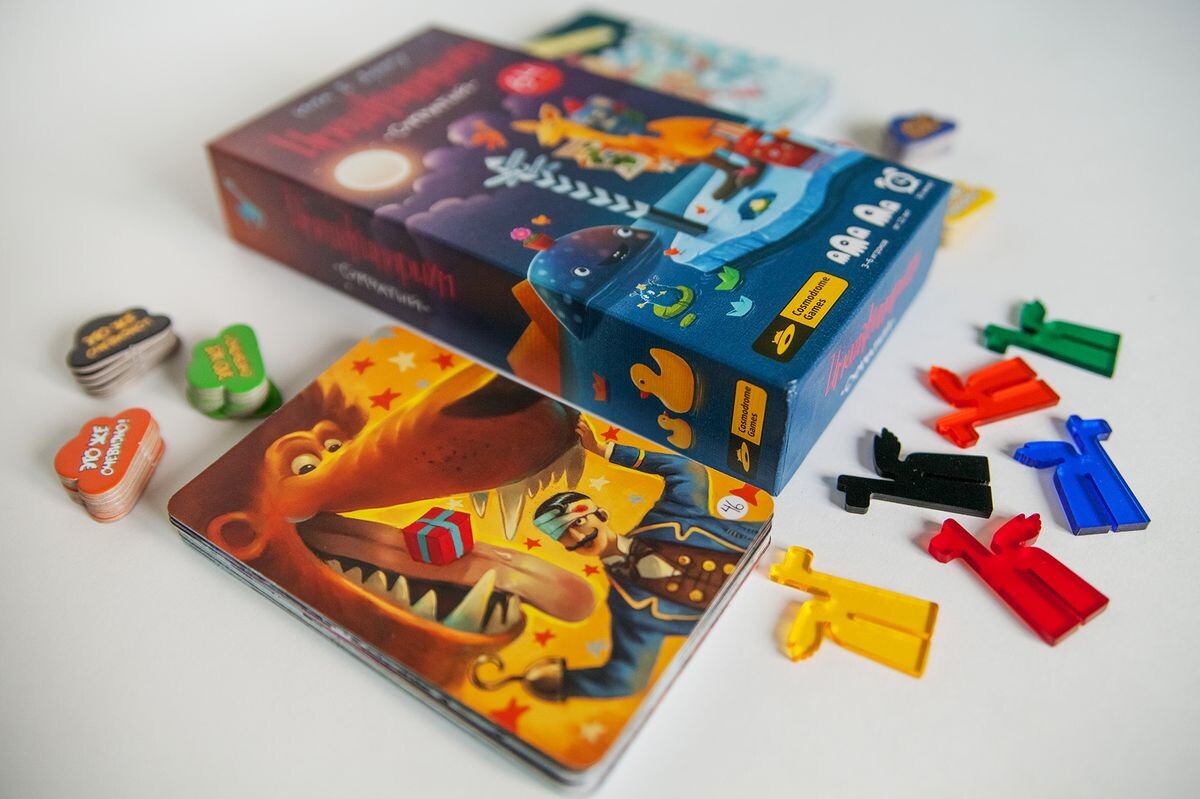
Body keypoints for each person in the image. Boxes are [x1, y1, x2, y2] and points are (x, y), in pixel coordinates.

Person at [472, 420, 761, 701]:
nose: (577, 534)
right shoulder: (629, 609)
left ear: (602, 515)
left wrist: (605, 451)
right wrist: (561, 681)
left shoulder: (673, 515)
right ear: (565, 547)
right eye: (564, 534)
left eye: (579, 521)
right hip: (755, 631)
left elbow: (686, 470)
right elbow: (626, 678)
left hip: (773, 555)